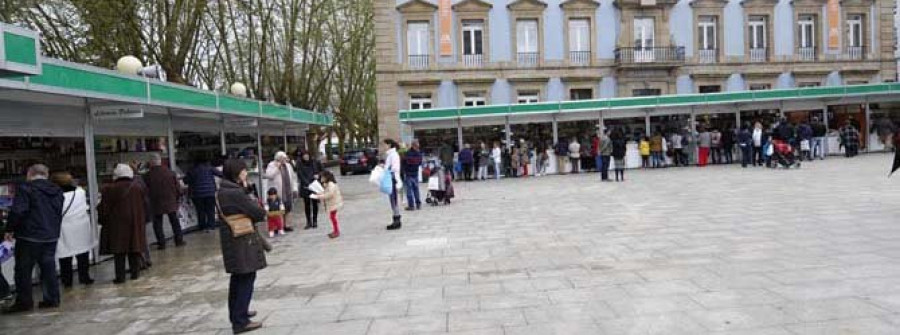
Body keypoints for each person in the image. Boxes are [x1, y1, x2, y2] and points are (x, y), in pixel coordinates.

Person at [4, 164, 63, 313]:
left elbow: (18, 211)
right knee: (48, 268)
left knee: (23, 270)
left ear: (30, 174)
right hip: (50, 236)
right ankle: (52, 298)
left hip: (29, 236)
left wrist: (10, 228)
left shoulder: (26, 189)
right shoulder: (56, 190)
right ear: (46, 174)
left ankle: (24, 302)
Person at [217, 159, 267, 333]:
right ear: (236, 173)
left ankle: (238, 313)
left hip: (233, 240)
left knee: (238, 278)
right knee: (246, 277)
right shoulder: (235, 193)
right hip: (241, 241)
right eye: (244, 170)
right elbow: (258, 212)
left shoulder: (224, 190)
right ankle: (240, 321)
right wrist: (249, 193)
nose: (246, 173)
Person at [99, 164, 147, 284]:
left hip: (117, 224)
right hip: (135, 222)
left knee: (119, 251)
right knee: (134, 247)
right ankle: (135, 273)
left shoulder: (109, 189)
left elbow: (103, 208)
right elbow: (145, 204)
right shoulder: (137, 187)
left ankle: (120, 276)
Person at [51, 172, 96, 288]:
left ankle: (67, 280)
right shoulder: (80, 192)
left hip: (64, 227)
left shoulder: (55, 196)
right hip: (81, 226)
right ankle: (84, 277)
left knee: (65, 255)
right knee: (83, 253)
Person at [146, 153, 185, 250]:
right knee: (174, 221)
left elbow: (145, 190)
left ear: (151, 163)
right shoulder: (170, 172)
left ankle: (161, 243)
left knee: (158, 224)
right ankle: (179, 240)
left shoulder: (147, 175)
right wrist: (178, 196)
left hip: (156, 202)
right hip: (170, 201)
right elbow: (178, 188)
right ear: (160, 161)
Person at [264, 151, 298, 231]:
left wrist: (295, 189)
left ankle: (287, 225)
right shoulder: (271, 165)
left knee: (288, 207)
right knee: (277, 208)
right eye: (283, 158)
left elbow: (293, 178)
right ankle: (277, 226)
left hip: (288, 190)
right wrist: (277, 168)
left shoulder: (288, 165)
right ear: (278, 159)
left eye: (285, 158)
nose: (285, 160)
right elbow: (269, 176)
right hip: (278, 191)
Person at [185, 157, 221, 232]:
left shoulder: (192, 170)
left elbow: (186, 180)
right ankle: (211, 227)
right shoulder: (210, 168)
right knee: (210, 210)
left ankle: (202, 227)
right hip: (210, 192)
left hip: (197, 194)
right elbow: (220, 174)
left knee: (200, 211)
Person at [312, 170, 343, 239]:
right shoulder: (327, 184)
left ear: (326, 177)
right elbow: (325, 192)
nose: (321, 178)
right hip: (333, 203)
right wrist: (319, 194)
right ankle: (335, 230)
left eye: (322, 177)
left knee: (333, 217)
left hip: (334, 203)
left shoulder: (331, 184)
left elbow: (329, 194)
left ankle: (336, 231)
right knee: (332, 217)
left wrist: (319, 196)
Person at [296, 151, 323, 229]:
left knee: (315, 204)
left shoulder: (315, 162)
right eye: (304, 155)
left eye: (307, 155)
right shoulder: (300, 164)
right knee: (307, 205)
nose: (306, 157)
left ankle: (315, 221)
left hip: (314, 186)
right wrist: (307, 184)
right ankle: (308, 222)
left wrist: (318, 175)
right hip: (306, 187)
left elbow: (322, 171)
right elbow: (300, 175)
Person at [384, 139, 403, 231]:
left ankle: (397, 219)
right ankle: (396, 218)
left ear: (389, 145)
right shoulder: (390, 155)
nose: (384, 146)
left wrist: (386, 170)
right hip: (390, 178)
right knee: (392, 200)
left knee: (394, 199)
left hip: (393, 179)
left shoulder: (393, 155)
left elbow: (394, 167)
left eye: (385, 144)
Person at [403, 141, 423, 211]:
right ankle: (418, 204)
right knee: (416, 189)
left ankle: (411, 205)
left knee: (409, 190)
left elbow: (405, 162)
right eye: (417, 146)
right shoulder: (418, 153)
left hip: (409, 173)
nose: (418, 147)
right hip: (415, 173)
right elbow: (420, 162)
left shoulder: (408, 153)